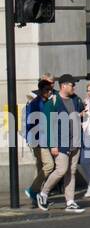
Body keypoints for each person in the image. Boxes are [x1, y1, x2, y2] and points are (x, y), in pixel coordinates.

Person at [37, 76, 85, 213]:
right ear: (63, 85)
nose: (74, 87)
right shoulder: (53, 102)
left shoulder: (76, 99)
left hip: (75, 141)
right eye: (72, 84)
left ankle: (70, 201)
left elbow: (81, 112)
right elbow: (49, 125)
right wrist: (53, 145)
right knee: (61, 170)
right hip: (61, 142)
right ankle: (43, 193)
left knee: (71, 171)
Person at [23, 77, 56, 208]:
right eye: (47, 90)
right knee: (48, 165)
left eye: (51, 89)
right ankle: (32, 190)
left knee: (41, 167)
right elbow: (34, 123)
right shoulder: (36, 103)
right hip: (38, 140)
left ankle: (37, 197)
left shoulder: (45, 102)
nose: (49, 92)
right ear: (41, 90)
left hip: (41, 140)